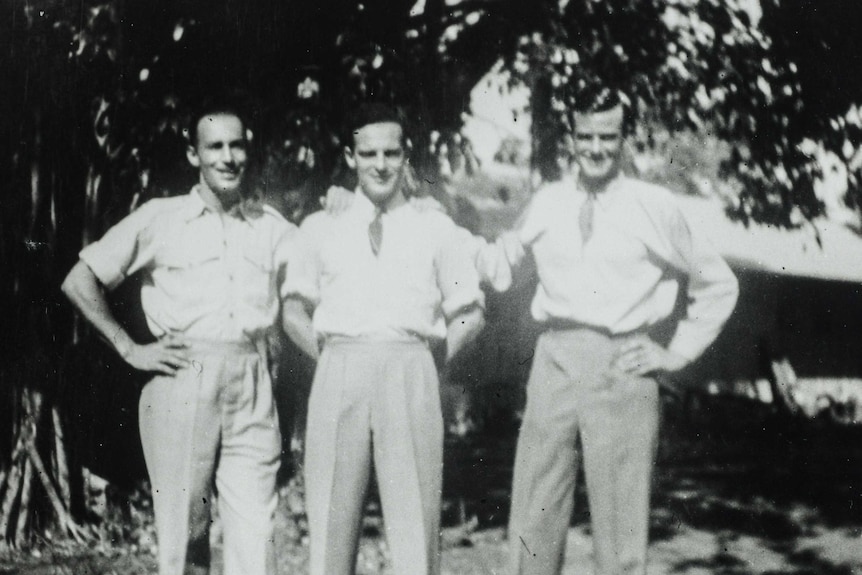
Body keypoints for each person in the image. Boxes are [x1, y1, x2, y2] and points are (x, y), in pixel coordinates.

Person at [503, 93, 739, 575]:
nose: (595, 148)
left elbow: (717, 282)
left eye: (607, 137)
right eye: (585, 137)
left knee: (621, 528)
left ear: (624, 139)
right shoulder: (548, 201)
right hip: (555, 361)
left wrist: (676, 352)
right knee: (535, 516)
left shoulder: (654, 204)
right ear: (571, 139)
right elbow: (498, 260)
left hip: (623, 365)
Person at [61, 100, 294, 575]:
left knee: (256, 533)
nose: (228, 157)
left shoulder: (270, 227)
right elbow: (80, 281)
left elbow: (324, 259)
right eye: (215, 147)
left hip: (252, 383)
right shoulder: (160, 218)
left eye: (237, 145)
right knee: (183, 538)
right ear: (195, 156)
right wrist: (130, 348)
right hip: (181, 378)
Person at [281, 102, 485, 575]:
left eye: (390, 153)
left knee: (415, 532)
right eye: (368, 153)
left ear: (406, 156)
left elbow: (470, 313)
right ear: (351, 157)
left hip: (411, 368)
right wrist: (332, 359)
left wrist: (428, 363)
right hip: (339, 367)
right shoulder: (321, 226)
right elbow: (293, 311)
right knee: (331, 529)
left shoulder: (434, 227)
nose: (379, 164)